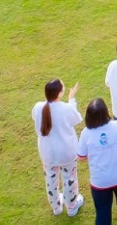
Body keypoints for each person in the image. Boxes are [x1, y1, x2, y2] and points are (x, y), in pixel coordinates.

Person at [34, 79, 84, 217]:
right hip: (66, 152)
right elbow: (77, 118)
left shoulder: (38, 108)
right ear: (59, 93)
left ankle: (56, 207)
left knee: (50, 179)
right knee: (69, 178)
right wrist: (72, 99)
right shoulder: (65, 109)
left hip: (48, 153)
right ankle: (72, 207)